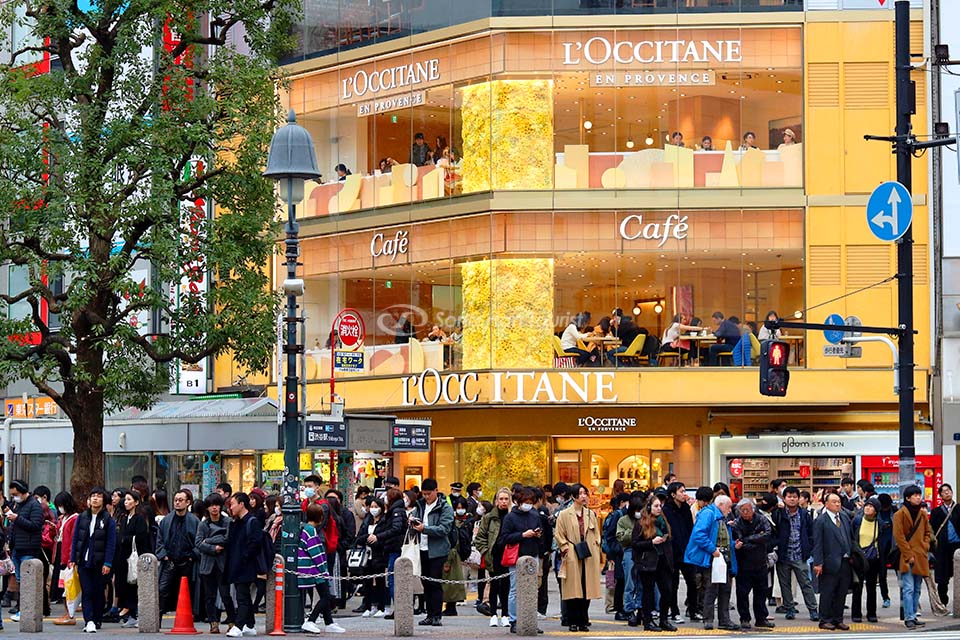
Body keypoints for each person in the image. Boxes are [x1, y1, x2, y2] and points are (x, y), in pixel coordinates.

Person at [684, 495, 738, 631]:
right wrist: (712, 549)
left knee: (725, 589)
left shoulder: (720, 517)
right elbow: (699, 534)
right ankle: (709, 619)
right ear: (720, 505)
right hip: (713, 557)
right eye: (728, 507)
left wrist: (733, 544)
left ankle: (723, 620)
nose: (730, 510)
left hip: (722, 556)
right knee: (711, 589)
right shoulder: (709, 514)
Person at [554, 483, 601, 633]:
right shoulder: (564, 514)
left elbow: (597, 534)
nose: (583, 496)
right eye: (580, 493)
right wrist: (565, 547)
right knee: (573, 588)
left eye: (585, 493)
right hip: (572, 551)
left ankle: (583, 620)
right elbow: (559, 534)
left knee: (587, 587)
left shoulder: (590, 514)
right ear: (574, 496)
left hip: (588, 552)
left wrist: (596, 547)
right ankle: (572, 620)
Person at [70, 487, 117, 634]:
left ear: (103, 500)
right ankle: (89, 620)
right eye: (93, 496)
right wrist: (73, 558)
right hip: (84, 561)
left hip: (100, 562)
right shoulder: (82, 517)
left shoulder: (108, 520)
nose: (95, 499)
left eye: (98, 496)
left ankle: (97, 618)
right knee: (87, 591)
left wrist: (108, 562)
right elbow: (76, 538)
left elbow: (111, 543)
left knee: (98, 591)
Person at [496, 487, 543, 633]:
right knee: (515, 589)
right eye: (525, 502)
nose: (528, 505)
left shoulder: (534, 515)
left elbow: (541, 532)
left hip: (532, 554)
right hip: (517, 556)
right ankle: (514, 620)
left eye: (530, 502)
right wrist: (522, 535)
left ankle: (530, 619)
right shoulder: (510, 517)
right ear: (517, 502)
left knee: (532, 589)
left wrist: (537, 534)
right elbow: (504, 538)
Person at [410, 478, 454, 627]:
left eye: (429, 493)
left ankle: (437, 615)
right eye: (424, 494)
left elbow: (444, 529)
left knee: (435, 583)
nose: (427, 496)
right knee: (426, 583)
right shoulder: (420, 505)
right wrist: (411, 521)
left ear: (436, 491)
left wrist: (425, 529)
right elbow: (413, 517)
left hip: (437, 551)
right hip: (421, 549)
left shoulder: (444, 507)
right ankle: (429, 614)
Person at [632, 494, 677, 632]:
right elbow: (635, 544)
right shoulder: (641, 523)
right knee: (648, 592)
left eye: (660, 506)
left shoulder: (663, 521)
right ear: (649, 507)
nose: (659, 508)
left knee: (667, 591)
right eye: (656, 506)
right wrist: (651, 542)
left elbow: (669, 540)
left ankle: (664, 620)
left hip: (663, 560)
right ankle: (648, 621)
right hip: (648, 562)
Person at [299, 503, 346, 635]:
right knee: (326, 596)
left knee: (324, 594)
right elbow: (315, 552)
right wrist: (323, 569)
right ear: (320, 517)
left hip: (311, 568)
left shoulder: (306, 528)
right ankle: (311, 620)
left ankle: (329, 622)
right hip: (315, 569)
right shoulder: (311, 531)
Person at [774, 486, 818, 621]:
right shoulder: (779, 514)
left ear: (799, 499)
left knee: (806, 583)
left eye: (794, 497)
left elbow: (811, 533)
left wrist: (809, 548)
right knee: (785, 584)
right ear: (784, 498)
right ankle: (789, 609)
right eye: (789, 497)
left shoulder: (804, 514)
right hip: (783, 554)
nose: (792, 499)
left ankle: (813, 610)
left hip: (800, 554)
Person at [893, 485, 932, 630]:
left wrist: (925, 545)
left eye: (919, 495)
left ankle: (913, 615)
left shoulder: (922, 514)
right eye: (915, 495)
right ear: (908, 498)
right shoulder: (900, 514)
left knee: (917, 588)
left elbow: (928, 532)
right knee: (908, 588)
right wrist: (909, 554)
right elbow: (899, 536)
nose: (918, 497)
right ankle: (909, 617)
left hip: (921, 554)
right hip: (906, 556)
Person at [731, 499, 774, 631]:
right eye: (742, 510)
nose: (745, 512)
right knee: (742, 593)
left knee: (761, 592)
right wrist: (756, 538)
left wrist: (748, 538)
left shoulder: (761, 519)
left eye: (747, 510)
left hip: (760, 562)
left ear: (753, 509)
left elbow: (767, 535)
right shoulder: (737, 523)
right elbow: (739, 542)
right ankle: (744, 618)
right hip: (744, 564)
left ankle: (761, 618)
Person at [156, 490, 200, 618]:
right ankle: (158, 616)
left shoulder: (194, 521)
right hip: (170, 560)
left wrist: (193, 555)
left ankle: (189, 616)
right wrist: (163, 555)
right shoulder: (166, 520)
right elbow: (159, 540)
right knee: (162, 589)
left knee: (189, 589)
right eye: (176, 500)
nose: (177, 503)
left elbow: (199, 541)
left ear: (188, 502)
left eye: (181, 500)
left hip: (187, 561)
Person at [812, 492, 852, 631]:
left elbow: (849, 537)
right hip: (829, 561)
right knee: (828, 592)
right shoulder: (821, 520)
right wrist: (818, 563)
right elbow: (817, 543)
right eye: (834, 502)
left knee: (841, 592)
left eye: (839, 501)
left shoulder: (844, 517)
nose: (837, 504)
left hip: (845, 561)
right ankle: (825, 619)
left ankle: (838, 619)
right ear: (826, 504)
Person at [225, 492, 263, 638]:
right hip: (236, 565)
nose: (231, 507)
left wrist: (244, 557)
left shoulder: (252, 522)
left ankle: (239, 625)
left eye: (233, 504)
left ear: (241, 504)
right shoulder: (236, 522)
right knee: (244, 595)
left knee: (241, 597)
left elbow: (255, 543)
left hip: (246, 566)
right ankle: (250, 625)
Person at [196, 493, 233, 634]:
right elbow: (198, 543)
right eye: (211, 505)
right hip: (208, 564)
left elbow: (227, 539)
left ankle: (231, 622)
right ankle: (213, 622)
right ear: (207, 508)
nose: (214, 508)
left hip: (223, 564)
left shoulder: (227, 521)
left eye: (217, 505)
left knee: (225, 595)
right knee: (209, 596)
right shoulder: (203, 524)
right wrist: (213, 548)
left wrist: (209, 541)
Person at [6, 479, 43, 622]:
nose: (14, 497)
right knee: (21, 581)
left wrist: (17, 518)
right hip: (17, 548)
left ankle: (27, 611)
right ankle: (22, 609)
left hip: (29, 549)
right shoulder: (18, 505)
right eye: (12, 495)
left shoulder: (34, 505)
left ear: (23, 492)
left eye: (15, 494)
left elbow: (36, 525)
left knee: (28, 582)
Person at [662, 482, 698, 623]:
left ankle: (693, 610)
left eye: (684, 491)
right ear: (673, 494)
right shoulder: (666, 510)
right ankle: (674, 612)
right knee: (673, 584)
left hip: (686, 551)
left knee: (692, 582)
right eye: (681, 491)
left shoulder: (685, 508)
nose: (684, 494)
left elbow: (690, 528)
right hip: (672, 552)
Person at [474, 487, 511, 627]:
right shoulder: (489, 517)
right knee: (494, 585)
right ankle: (493, 614)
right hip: (494, 556)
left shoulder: (513, 516)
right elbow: (480, 538)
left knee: (507, 586)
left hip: (509, 556)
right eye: (501, 499)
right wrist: (486, 552)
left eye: (506, 499)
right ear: (496, 501)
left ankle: (506, 614)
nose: (503, 501)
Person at [115, 490, 149, 629]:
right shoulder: (125, 518)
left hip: (134, 557)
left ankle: (137, 614)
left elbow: (141, 537)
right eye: (126, 499)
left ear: (136, 502)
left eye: (129, 499)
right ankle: (131, 615)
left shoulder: (139, 519)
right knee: (126, 585)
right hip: (124, 557)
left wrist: (125, 539)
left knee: (135, 586)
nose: (126, 502)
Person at [357, 495, 390, 617]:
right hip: (367, 555)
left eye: (376, 507)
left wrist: (376, 540)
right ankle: (369, 605)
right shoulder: (367, 520)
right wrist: (367, 538)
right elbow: (359, 536)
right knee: (367, 582)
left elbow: (386, 538)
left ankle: (382, 606)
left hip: (379, 555)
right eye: (371, 507)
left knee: (380, 581)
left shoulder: (385, 521)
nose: (373, 509)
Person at [850, 497, 882, 623]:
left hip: (873, 559)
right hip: (859, 558)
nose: (868, 508)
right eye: (867, 506)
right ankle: (856, 613)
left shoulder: (879, 523)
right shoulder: (858, 520)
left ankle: (871, 613)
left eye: (871, 506)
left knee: (871, 587)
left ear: (876, 511)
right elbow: (852, 537)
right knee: (857, 586)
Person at [930, 483, 960, 606]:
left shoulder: (958, 508)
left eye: (948, 490)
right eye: (944, 491)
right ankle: (943, 602)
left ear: (952, 492)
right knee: (943, 577)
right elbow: (931, 530)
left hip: (958, 546)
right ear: (940, 495)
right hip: (942, 547)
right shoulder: (936, 512)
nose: (947, 492)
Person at [53, 491, 80, 626]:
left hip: (67, 556)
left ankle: (70, 614)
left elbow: (73, 539)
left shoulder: (74, 518)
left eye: (61, 505)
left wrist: (71, 558)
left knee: (68, 587)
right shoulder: (64, 518)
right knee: (63, 586)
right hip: (61, 554)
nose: (59, 508)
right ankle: (67, 613)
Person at [876, 492, 894, 609]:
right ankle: (885, 597)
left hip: (894, 546)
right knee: (882, 574)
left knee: (902, 575)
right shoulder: (875, 513)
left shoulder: (895, 511)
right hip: (881, 546)